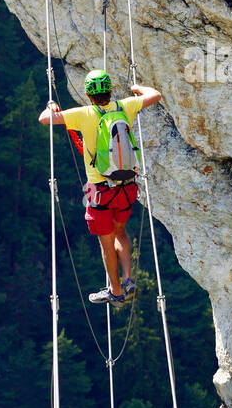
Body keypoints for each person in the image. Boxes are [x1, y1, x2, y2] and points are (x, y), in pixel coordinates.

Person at [38, 69, 162, 305]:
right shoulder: (125, 107)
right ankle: (127, 278)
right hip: (126, 186)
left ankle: (115, 292)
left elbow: (44, 119)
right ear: (110, 90)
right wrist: (137, 89)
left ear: (87, 93)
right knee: (121, 232)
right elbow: (154, 95)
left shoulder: (83, 114)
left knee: (106, 243)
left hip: (100, 190)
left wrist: (52, 106)